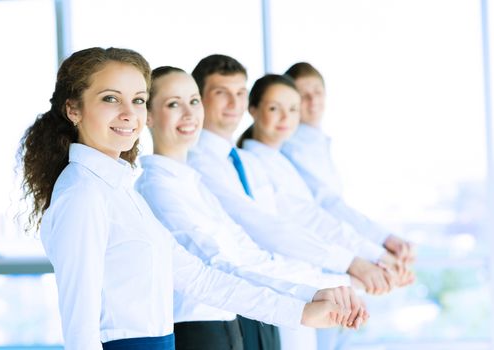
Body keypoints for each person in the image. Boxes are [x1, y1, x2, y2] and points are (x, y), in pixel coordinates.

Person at [18, 47, 349, 350]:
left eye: (137, 100)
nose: (128, 113)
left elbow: (200, 278)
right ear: (73, 109)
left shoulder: (120, 192)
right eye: (110, 99)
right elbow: (80, 333)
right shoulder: (83, 194)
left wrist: (303, 310)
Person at [136, 66, 368, 350]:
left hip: (231, 325)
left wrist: (324, 287)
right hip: (199, 332)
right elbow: (217, 266)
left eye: (193, 101)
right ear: (147, 115)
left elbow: (251, 256)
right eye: (174, 104)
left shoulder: (193, 184)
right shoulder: (157, 187)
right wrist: (305, 304)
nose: (189, 113)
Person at [186, 55, 396, 350]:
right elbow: (262, 229)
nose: (234, 104)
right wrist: (349, 266)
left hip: (278, 290)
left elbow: (297, 220)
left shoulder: (241, 161)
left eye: (239, 93)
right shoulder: (201, 163)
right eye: (221, 93)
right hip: (241, 302)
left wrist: (342, 274)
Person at [281, 62, 416, 265]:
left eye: (318, 91)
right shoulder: (294, 147)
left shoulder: (314, 140)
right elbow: (328, 204)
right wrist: (382, 239)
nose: (313, 100)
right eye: (304, 95)